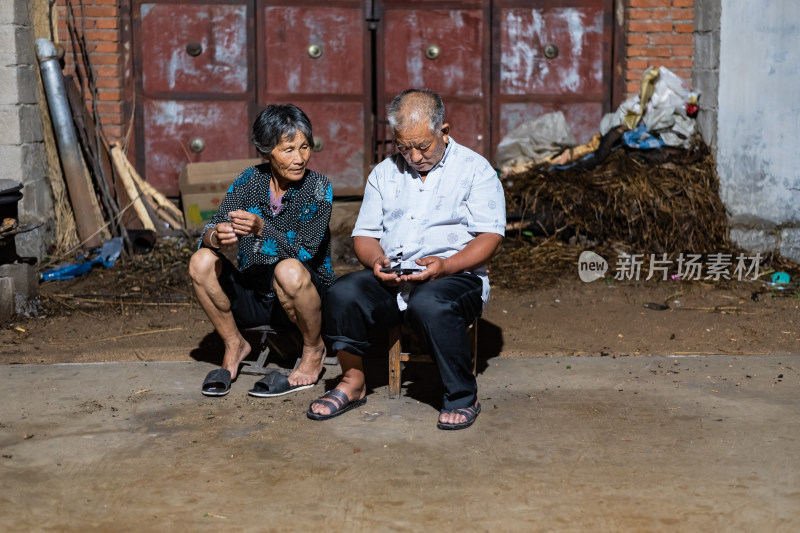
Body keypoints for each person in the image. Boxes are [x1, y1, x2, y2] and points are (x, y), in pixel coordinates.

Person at [308, 89, 505, 430]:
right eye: (403, 147)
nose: (413, 156)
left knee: (430, 303)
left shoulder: (476, 170)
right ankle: (352, 382)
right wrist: (376, 262)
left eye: (422, 146)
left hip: (455, 276)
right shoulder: (384, 173)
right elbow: (364, 235)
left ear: (444, 131)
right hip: (396, 274)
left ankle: (461, 396)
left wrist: (447, 265)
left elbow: (491, 237)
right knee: (342, 293)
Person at [189, 104, 335, 397]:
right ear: (267, 151)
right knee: (201, 261)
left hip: (303, 295)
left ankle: (313, 349)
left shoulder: (319, 187)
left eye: (304, 147)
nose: (299, 158)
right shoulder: (249, 180)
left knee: (288, 268)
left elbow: (304, 253)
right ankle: (235, 344)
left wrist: (262, 229)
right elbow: (209, 229)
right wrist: (217, 236)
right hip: (257, 293)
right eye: (288, 149)